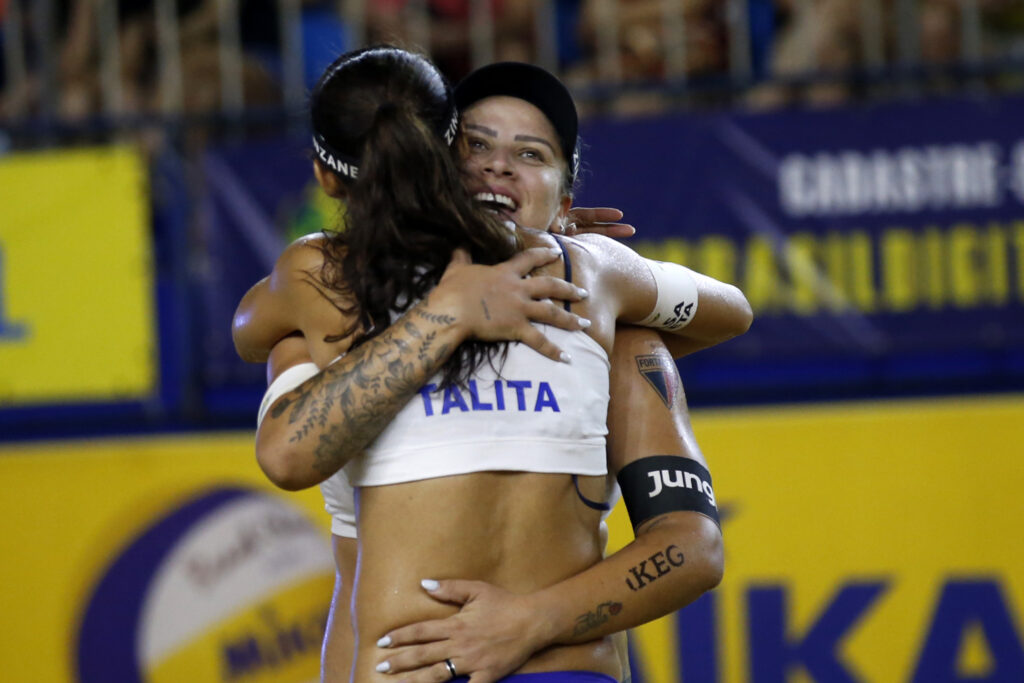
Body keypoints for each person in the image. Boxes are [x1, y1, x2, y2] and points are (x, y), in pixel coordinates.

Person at [233, 48, 750, 682]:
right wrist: (465, 301)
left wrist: (530, 620)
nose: (500, 165)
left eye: (532, 155)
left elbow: (693, 544)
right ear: (435, 162)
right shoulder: (328, 299)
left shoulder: (600, 302)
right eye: (478, 146)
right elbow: (260, 362)